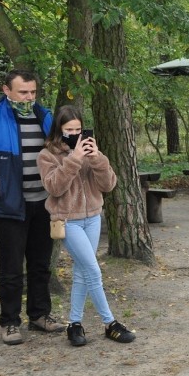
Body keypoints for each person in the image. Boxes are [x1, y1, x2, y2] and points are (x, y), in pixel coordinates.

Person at [0, 69, 67, 345]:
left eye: (33, 92)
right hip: (9, 206)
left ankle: (40, 316)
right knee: (11, 268)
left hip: (43, 204)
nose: (29, 97)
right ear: (7, 90)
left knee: (41, 265)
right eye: (22, 92)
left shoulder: (45, 117)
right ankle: (9, 322)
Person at [37, 105, 136, 346]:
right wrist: (73, 160)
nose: (74, 134)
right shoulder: (47, 155)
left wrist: (96, 158)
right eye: (69, 130)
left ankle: (74, 324)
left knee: (82, 272)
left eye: (78, 129)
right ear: (59, 130)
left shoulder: (91, 152)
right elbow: (54, 188)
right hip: (67, 220)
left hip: (93, 217)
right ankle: (110, 323)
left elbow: (109, 185)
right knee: (92, 270)